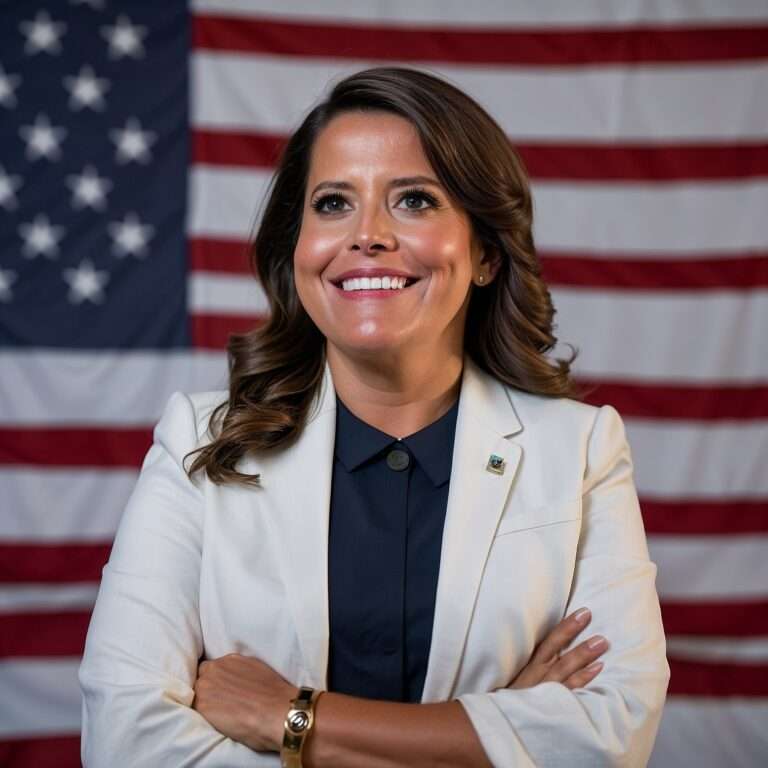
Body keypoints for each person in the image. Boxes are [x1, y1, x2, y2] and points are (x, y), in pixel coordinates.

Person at [79, 67, 669, 767]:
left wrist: (292, 718)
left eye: (414, 200)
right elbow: (125, 743)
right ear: (296, 248)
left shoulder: (580, 449)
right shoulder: (199, 444)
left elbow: (611, 737)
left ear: (484, 253)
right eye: (333, 203)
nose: (367, 236)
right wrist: (499, 735)